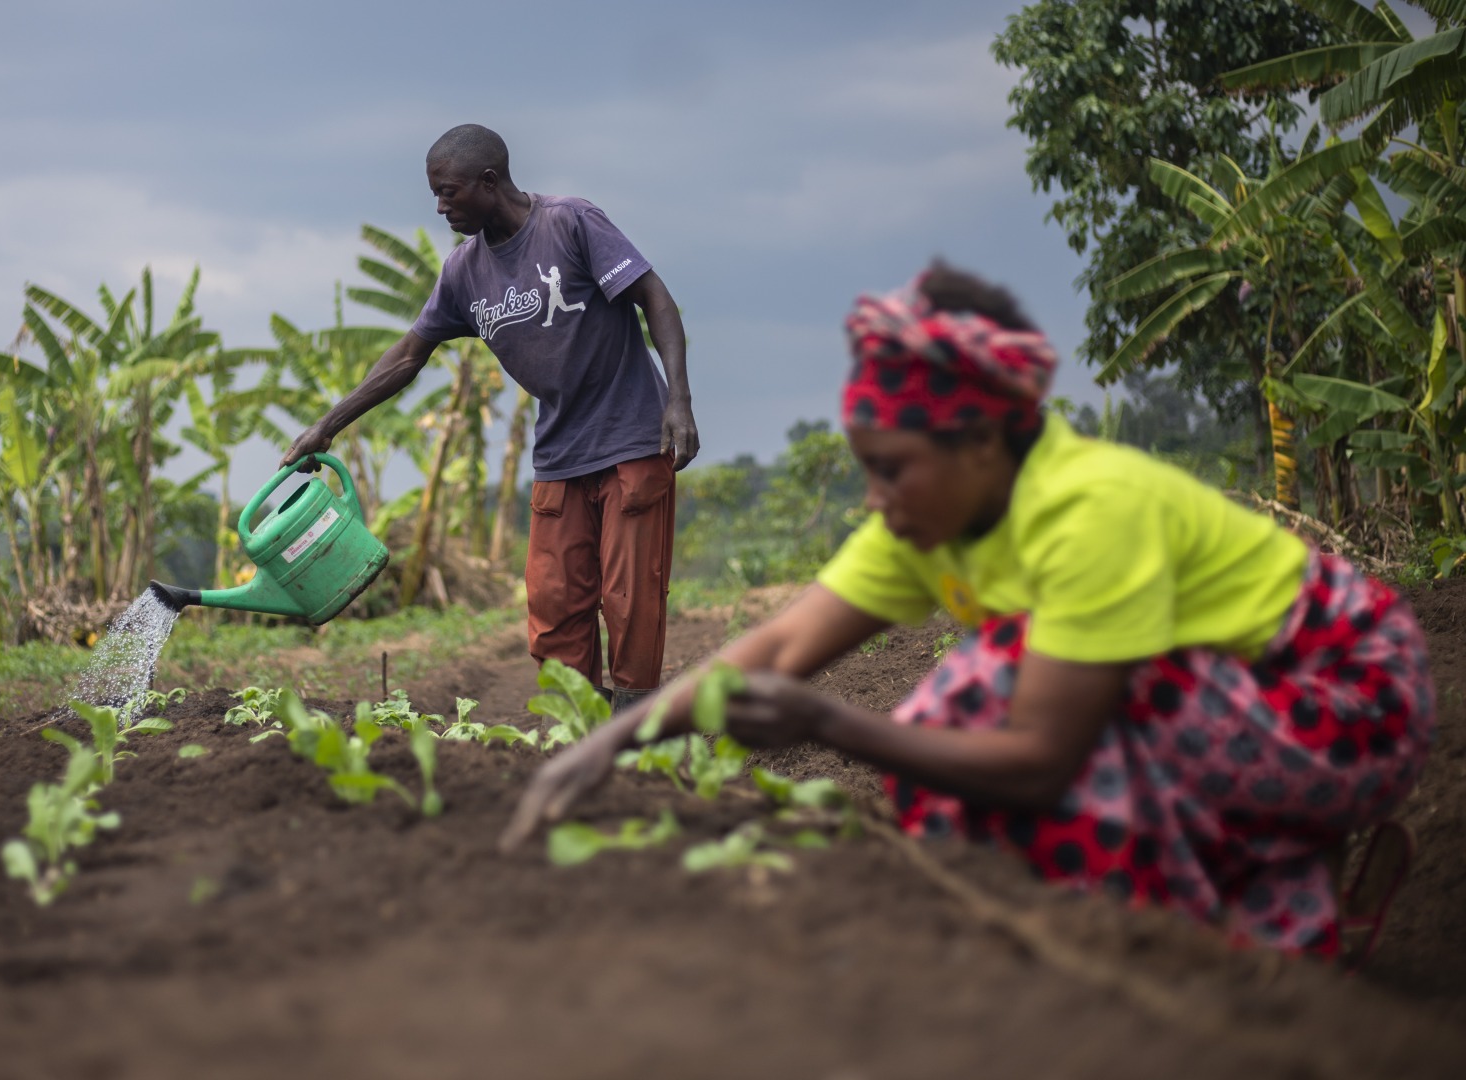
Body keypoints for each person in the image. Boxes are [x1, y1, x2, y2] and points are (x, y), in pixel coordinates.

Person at [504, 263, 1433, 955]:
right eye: (867, 466)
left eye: (893, 468)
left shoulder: (1090, 511)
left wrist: (831, 723)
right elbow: (781, 643)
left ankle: (1244, 940)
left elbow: (1037, 761)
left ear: (986, 439)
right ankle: (1270, 883)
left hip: (1348, 701)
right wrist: (605, 746)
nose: (875, 498)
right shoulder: (930, 518)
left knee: (1003, 697)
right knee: (966, 723)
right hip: (1235, 701)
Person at [282, 124, 699, 708]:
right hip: (560, 453)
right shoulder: (463, 271)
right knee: (554, 604)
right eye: (436, 193)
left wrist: (678, 398)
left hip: (632, 438)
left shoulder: (571, 222)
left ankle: (636, 728)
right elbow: (408, 354)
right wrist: (327, 424)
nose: (439, 206)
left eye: (449, 192)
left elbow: (654, 295)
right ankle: (576, 725)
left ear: (489, 181)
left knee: (630, 599)